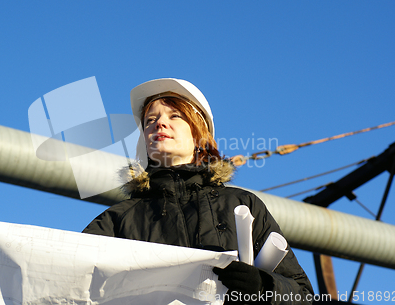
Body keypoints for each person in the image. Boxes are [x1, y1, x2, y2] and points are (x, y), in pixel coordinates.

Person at [83, 78, 314, 304]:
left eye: (175, 116)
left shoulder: (242, 205)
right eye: (149, 120)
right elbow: (73, 281)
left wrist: (263, 286)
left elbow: (302, 295)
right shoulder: (117, 220)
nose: (159, 124)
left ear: (198, 134)